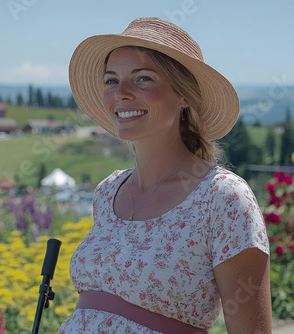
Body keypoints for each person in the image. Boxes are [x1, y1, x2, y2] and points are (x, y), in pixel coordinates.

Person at [58, 17, 271, 333]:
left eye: (142, 79)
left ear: (184, 96)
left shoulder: (221, 197)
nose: (122, 93)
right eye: (111, 80)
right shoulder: (107, 192)